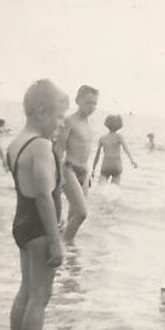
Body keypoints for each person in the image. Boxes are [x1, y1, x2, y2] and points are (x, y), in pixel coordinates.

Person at [6, 80, 69, 330]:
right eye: (58, 116)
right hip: (41, 227)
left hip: (22, 223)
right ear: (42, 113)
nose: (61, 123)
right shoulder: (41, 145)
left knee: (26, 290)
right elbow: (44, 194)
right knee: (40, 296)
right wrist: (55, 240)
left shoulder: (16, 143)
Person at [56, 84, 98, 242]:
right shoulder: (70, 121)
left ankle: (68, 255)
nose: (92, 106)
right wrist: (57, 175)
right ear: (77, 101)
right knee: (82, 213)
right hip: (69, 169)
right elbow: (59, 149)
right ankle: (61, 245)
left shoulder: (89, 125)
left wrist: (89, 174)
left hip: (84, 172)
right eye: (88, 102)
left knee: (73, 217)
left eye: (95, 103)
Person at [91, 114, 138, 184]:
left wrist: (93, 169)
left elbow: (97, 156)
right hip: (116, 165)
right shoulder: (119, 137)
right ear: (119, 125)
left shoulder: (102, 138)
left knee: (101, 186)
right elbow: (126, 149)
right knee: (115, 188)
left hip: (106, 165)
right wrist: (132, 161)